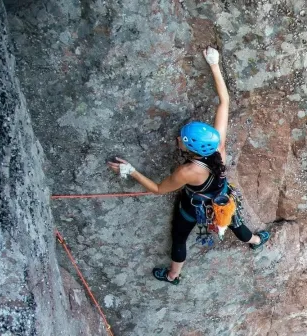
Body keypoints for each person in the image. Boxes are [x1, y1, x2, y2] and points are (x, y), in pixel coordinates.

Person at [107, 47, 269, 285]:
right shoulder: (218, 146)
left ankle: (173, 275)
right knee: (235, 222)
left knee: (180, 238)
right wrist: (214, 64)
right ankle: (255, 241)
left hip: (194, 207)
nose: (178, 139)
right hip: (222, 197)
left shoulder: (188, 171)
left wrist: (131, 171)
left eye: (182, 140)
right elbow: (224, 102)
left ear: (191, 149)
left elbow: (159, 189)